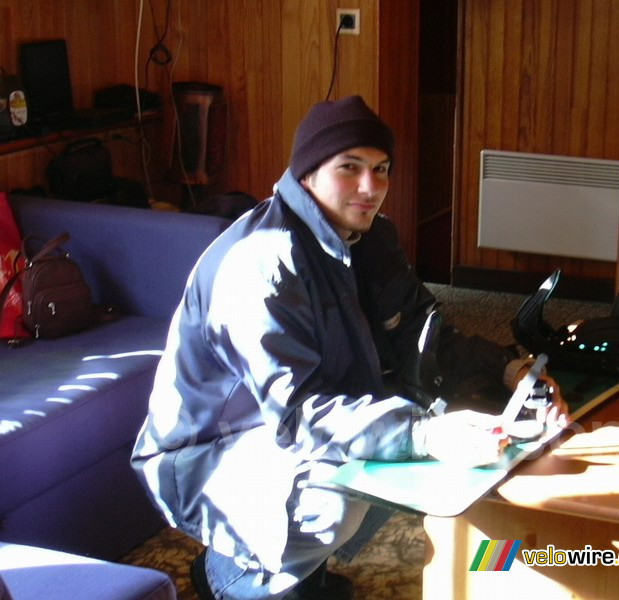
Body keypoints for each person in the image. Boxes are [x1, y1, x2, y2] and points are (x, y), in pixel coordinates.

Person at [131, 95, 567, 600]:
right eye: (350, 168)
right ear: (308, 174)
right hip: (210, 450)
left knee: (446, 414)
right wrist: (425, 435)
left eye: (381, 169)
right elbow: (299, 416)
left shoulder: (371, 238)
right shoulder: (264, 265)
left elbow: (427, 339)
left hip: (286, 429)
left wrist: (510, 369)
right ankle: (231, 578)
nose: (371, 187)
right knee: (349, 488)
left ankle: (300, 572)